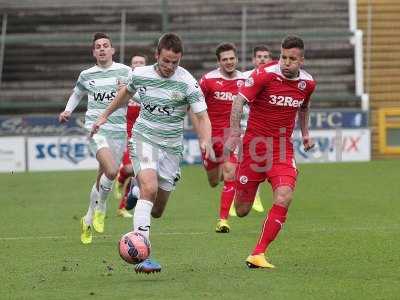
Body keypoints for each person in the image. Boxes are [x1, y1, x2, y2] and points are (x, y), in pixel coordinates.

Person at [91, 33, 213, 274]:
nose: (169, 67)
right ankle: (143, 256)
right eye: (165, 60)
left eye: (174, 62)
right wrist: (104, 115)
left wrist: (205, 140)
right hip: (144, 138)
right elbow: (126, 93)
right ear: (157, 55)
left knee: (157, 209)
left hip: (171, 147)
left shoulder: (187, 81)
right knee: (150, 187)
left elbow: (201, 116)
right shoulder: (140, 74)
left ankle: (135, 192)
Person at [226, 36, 316, 269]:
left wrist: (305, 133)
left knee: (285, 195)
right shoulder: (264, 74)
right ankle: (244, 188)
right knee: (242, 210)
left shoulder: (308, 84)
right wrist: (235, 133)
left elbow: (304, 107)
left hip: (282, 150)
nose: (286, 62)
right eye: (283, 57)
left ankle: (258, 253)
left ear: (301, 60)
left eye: (292, 59)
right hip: (254, 150)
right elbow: (239, 101)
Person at [58, 32, 131, 244]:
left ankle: (87, 218)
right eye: (98, 46)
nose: (101, 48)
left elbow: (137, 96)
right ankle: (101, 208)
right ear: (94, 52)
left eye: (105, 45)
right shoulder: (87, 75)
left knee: (103, 177)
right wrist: (68, 111)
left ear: (112, 50)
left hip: (118, 130)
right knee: (111, 171)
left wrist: (126, 93)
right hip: (95, 128)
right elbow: (77, 94)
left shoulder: (125, 72)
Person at [196, 43, 246, 233]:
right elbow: (195, 108)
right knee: (213, 181)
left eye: (232, 58)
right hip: (210, 137)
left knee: (230, 173)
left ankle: (223, 220)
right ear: (219, 62)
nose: (229, 62)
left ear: (237, 59)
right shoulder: (208, 80)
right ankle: (211, 168)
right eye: (225, 59)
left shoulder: (245, 80)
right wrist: (203, 137)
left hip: (231, 136)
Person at [230, 45, 274, 216]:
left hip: (261, 130)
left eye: (266, 56)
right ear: (253, 60)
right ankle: (240, 194)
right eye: (259, 56)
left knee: (258, 163)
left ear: (270, 59)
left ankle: (254, 196)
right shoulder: (244, 78)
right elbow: (236, 102)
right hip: (242, 127)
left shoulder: (274, 77)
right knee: (238, 164)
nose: (262, 59)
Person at [114, 53, 148, 218]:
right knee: (131, 169)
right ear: (131, 66)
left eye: (142, 62)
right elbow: (115, 105)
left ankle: (122, 207)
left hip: (143, 134)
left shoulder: (149, 85)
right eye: (136, 62)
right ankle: (120, 178)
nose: (139, 65)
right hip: (126, 133)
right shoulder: (125, 84)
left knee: (137, 172)